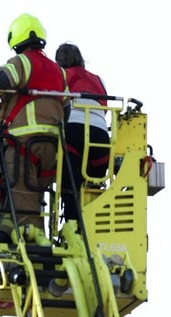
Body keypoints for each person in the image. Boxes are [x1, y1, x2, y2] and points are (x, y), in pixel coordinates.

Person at [0, 13, 65, 242]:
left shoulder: (22, 62)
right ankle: (3, 229)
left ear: (15, 39)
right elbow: (65, 105)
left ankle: (34, 241)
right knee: (28, 196)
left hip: (23, 143)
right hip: (52, 148)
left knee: (21, 194)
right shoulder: (58, 71)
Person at [55, 42, 110, 222]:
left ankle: (72, 224)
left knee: (70, 182)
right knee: (93, 186)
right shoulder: (98, 79)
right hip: (101, 137)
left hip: (73, 130)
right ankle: (92, 223)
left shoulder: (60, 76)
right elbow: (105, 107)